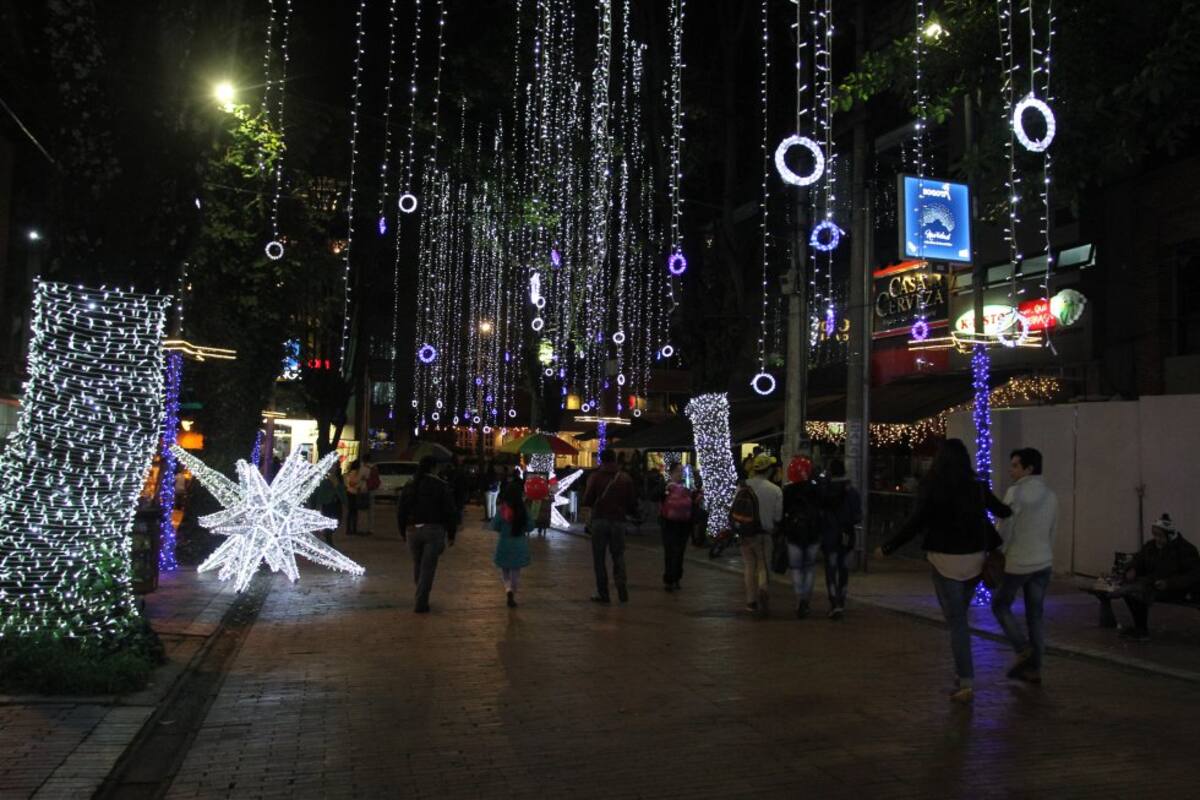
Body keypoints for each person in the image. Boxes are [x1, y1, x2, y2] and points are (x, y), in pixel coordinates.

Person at [875, 439, 1011, 704]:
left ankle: (966, 679)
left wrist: (889, 547)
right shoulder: (977, 487)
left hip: (943, 559)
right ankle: (963, 676)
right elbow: (1002, 510)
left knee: (956, 622)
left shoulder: (932, 486)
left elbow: (916, 522)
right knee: (960, 617)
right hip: (973, 560)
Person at [991, 448, 1058, 682]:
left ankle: (1022, 649)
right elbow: (1053, 529)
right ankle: (1035, 668)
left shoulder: (1015, 493)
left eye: (1015, 466)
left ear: (1028, 469)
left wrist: (1000, 551)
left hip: (1019, 561)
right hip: (1043, 561)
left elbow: (1006, 526)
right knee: (1035, 615)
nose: (1011, 470)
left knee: (1000, 604)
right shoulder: (1050, 495)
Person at [1109, 514, 1200, 640]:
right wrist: (1133, 568)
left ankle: (1141, 629)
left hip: (1174, 589)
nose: (1157, 539)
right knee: (1135, 592)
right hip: (1153, 583)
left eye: (1160, 535)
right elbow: (1139, 559)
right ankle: (1140, 627)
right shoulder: (1151, 546)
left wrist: (1168, 583)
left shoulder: (1185, 549)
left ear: (1169, 535)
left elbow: (1192, 575)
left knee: (1137, 591)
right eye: (1155, 534)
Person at [396, 456, 458, 613]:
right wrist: (451, 533)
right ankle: (421, 600)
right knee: (427, 568)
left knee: (418, 564)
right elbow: (450, 511)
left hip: (412, 530)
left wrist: (402, 530)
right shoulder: (440, 486)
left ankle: (420, 594)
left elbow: (401, 510)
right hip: (433, 529)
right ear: (434, 468)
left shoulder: (410, 485)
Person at [581, 449, 638, 604]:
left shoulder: (596, 477)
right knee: (618, 554)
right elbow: (632, 502)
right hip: (618, 521)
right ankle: (621, 584)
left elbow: (587, 500)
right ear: (615, 460)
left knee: (599, 558)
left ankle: (603, 592)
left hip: (600, 520)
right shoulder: (625, 478)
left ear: (602, 460)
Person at [781, 455, 823, 618]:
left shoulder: (789, 490)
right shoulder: (816, 489)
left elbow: (783, 512)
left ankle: (799, 598)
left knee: (796, 568)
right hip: (813, 533)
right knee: (809, 567)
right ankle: (806, 599)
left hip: (794, 533)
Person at [820, 459, 862, 621]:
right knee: (843, 569)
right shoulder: (852, 491)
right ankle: (841, 601)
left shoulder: (826, 489)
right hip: (846, 535)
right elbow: (858, 515)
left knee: (830, 570)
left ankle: (833, 602)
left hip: (829, 534)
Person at [741, 453, 783, 617]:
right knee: (762, 565)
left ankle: (750, 601)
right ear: (769, 470)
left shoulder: (744, 485)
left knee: (749, 565)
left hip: (746, 533)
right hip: (765, 533)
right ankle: (763, 588)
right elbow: (778, 517)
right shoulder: (775, 490)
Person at [491, 482, 534, 607]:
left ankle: (508, 589)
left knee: (505, 570)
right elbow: (530, 526)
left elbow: (495, 525)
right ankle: (513, 592)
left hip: (504, 542)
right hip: (519, 543)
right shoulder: (523, 509)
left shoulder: (502, 509)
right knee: (516, 570)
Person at [658, 462, 694, 592]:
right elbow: (654, 495)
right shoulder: (666, 485)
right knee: (669, 551)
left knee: (679, 552)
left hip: (683, 524)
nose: (680, 474)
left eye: (681, 471)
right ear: (672, 473)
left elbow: (693, 501)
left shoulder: (687, 485)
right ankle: (669, 579)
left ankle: (677, 577)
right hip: (668, 523)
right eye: (678, 471)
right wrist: (666, 489)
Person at [311, 465, 347, 546]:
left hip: (337, 503)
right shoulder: (323, 478)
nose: (333, 468)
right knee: (329, 520)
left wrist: (344, 500)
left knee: (338, 520)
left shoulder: (339, 477)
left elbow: (342, 490)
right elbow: (319, 491)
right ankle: (329, 538)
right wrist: (317, 503)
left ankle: (328, 533)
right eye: (332, 466)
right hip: (327, 503)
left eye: (335, 466)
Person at [344, 459, 362, 536]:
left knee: (351, 512)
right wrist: (358, 484)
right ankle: (352, 529)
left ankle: (350, 528)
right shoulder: (354, 473)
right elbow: (352, 483)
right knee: (353, 512)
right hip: (353, 493)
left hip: (350, 492)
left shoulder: (350, 473)